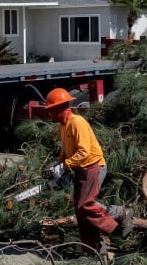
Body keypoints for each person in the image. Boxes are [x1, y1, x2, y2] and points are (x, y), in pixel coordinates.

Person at [43, 88, 132, 256]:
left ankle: (119, 217)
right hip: (81, 168)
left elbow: (84, 152)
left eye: (51, 111)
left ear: (60, 108)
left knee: (86, 205)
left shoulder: (77, 122)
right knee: (80, 211)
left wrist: (65, 166)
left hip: (93, 166)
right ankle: (95, 251)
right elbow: (66, 151)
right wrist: (57, 163)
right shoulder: (62, 127)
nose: (50, 115)